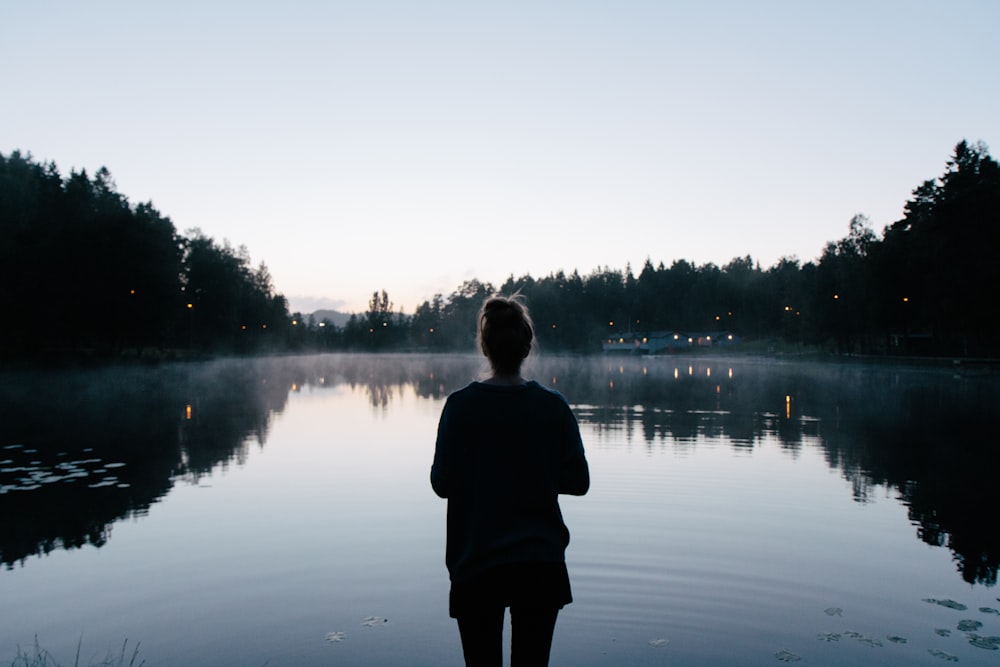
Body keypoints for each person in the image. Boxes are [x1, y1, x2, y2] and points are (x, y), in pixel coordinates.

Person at [431, 294, 590, 666]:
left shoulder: (460, 407)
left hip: (477, 564)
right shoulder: (553, 406)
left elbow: (442, 484)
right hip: (539, 564)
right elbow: (579, 481)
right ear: (527, 346)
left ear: (485, 347)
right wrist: (534, 470)